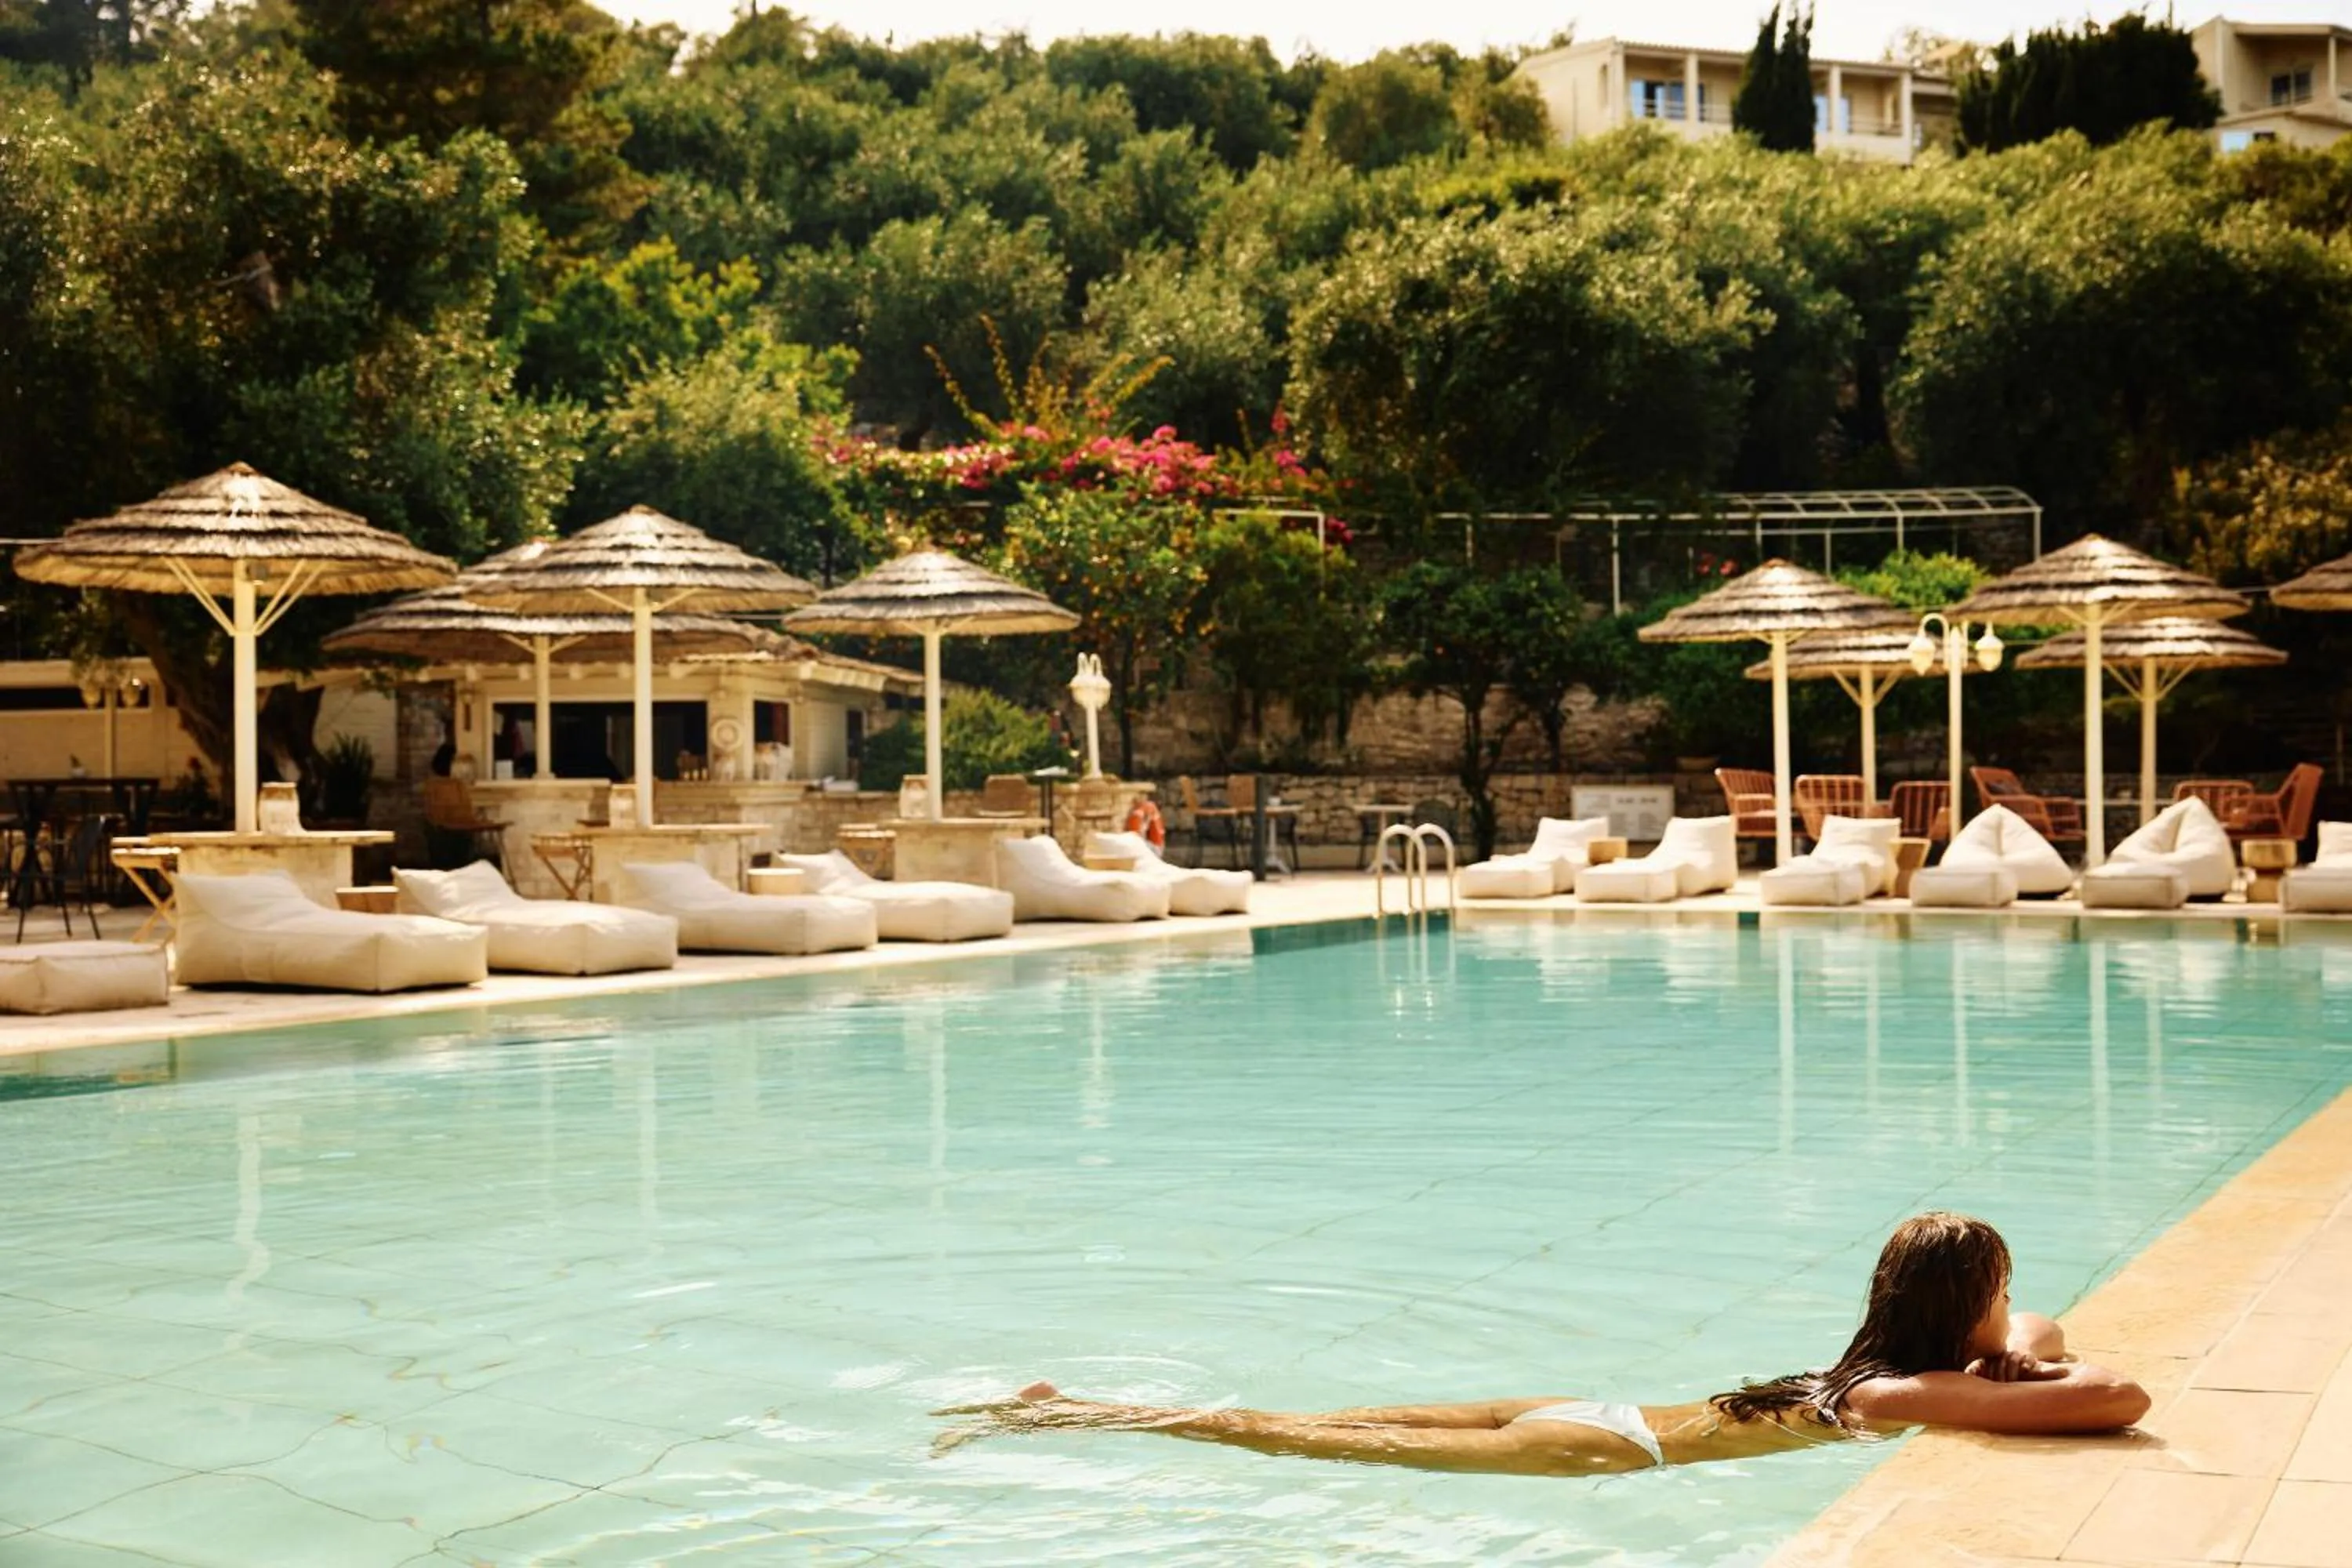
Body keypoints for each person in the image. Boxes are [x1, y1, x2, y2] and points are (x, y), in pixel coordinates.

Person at [930, 1212, 2149, 1475]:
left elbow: (2042, 1331)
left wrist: (2005, 1345)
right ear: (1963, 1311)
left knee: (1320, 1420)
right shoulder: (1901, 1398)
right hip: (1596, 1450)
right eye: (1999, 1293)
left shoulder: (1868, 1368)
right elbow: (2117, 1391)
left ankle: (1070, 1402)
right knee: (1288, 1437)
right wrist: (2019, 1359)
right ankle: (1066, 1411)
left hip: (1596, 1403)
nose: (2016, 1310)